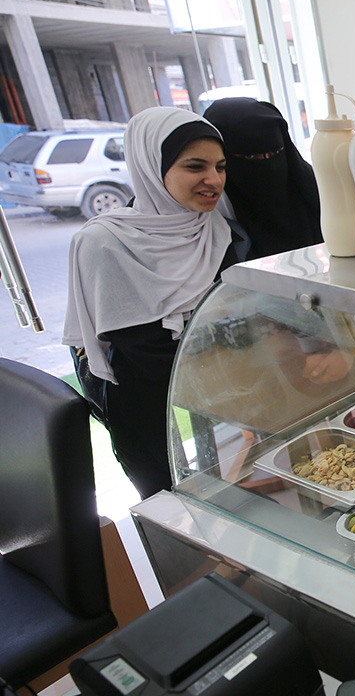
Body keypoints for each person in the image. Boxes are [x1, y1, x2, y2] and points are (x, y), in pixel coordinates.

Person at [64, 107, 236, 499]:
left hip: (215, 385)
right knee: (166, 500)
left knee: (226, 490)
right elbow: (141, 349)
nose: (214, 180)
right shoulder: (106, 241)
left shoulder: (213, 227)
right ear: (150, 166)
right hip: (141, 397)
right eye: (196, 167)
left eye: (221, 166)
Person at [202, 97, 322, 260]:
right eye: (251, 156)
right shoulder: (211, 213)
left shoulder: (314, 189)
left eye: (274, 153)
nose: (270, 165)